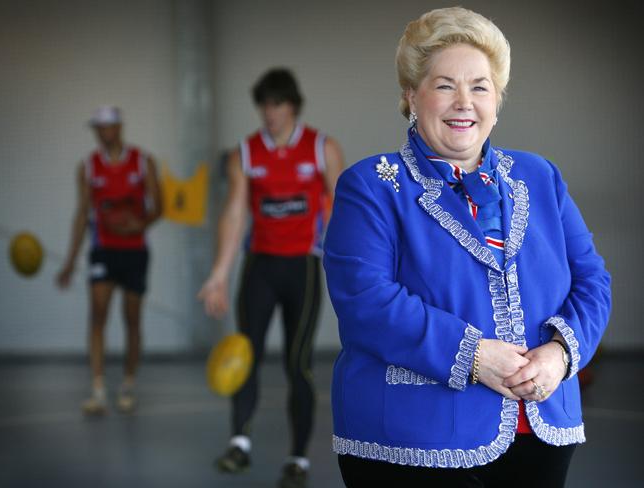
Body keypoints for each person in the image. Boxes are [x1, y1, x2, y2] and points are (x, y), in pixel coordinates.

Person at [323, 7, 611, 488]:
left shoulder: (540, 177)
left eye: (479, 86)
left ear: (497, 100)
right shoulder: (370, 185)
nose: (464, 102)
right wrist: (475, 355)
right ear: (411, 96)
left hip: (541, 430)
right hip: (411, 440)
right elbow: (366, 302)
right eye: (444, 85)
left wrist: (560, 355)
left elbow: (592, 281)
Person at [197, 68, 344, 488]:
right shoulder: (244, 153)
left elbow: (346, 207)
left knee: (297, 364)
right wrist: (219, 274)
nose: (270, 112)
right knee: (245, 355)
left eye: (277, 103)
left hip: (303, 267)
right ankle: (239, 443)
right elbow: (233, 213)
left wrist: (351, 264)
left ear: (293, 105)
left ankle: (297, 458)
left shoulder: (322, 148)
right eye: (264, 104)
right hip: (259, 266)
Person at [56, 106, 161, 415]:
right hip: (102, 249)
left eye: (108, 127)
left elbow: (160, 206)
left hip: (135, 250)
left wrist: (139, 224)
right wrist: (70, 260)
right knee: (97, 315)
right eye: (98, 128)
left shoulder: (143, 162)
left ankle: (128, 384)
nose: (103, 133)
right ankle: (98, 389)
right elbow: (81, 214)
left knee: (132, 319)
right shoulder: (88, 167)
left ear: (119, 127)